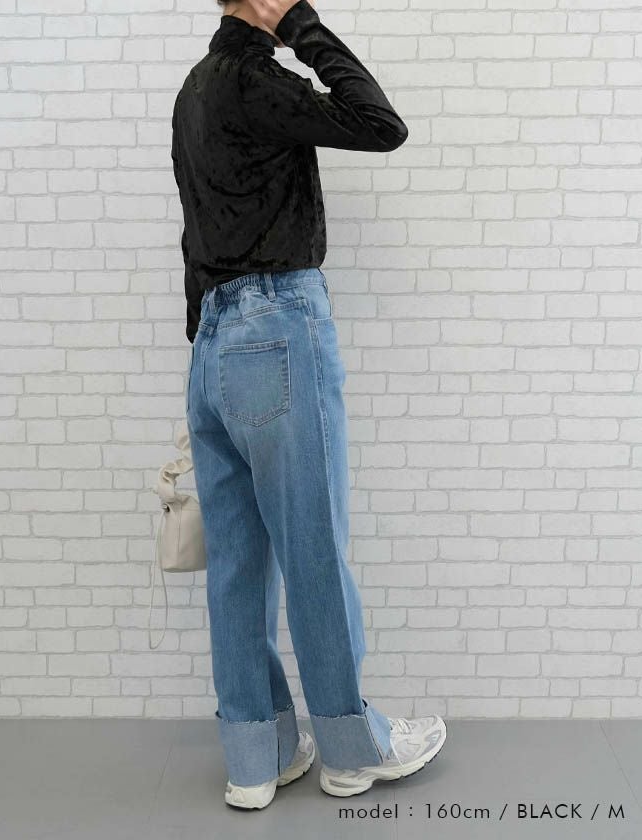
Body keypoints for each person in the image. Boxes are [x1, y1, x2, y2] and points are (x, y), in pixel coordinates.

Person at [171, 0, 447, 810]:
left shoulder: (195, 87)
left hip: (211, 342)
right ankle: (352, 750)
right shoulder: (256, 79)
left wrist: (210, 341)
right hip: (277, 329)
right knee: (314, 547)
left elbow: (194, 231)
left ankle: (254, 759)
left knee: (237, 564)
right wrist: (301, 25)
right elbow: (380, 124)